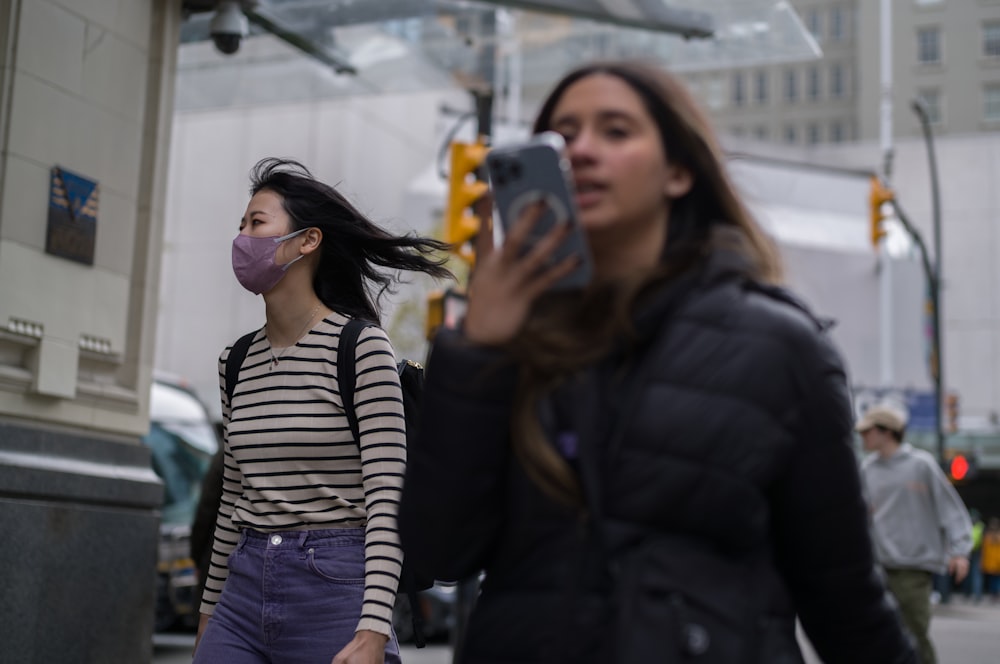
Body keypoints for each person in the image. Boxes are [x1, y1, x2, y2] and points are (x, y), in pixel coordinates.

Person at [398, 60, 916, 663]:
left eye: (616, 131)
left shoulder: (780, 346)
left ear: (678, 171)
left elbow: (846, 604)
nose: (582, 151)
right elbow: (435, 552)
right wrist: (475, 351)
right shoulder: (509, 342)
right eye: (562, 137)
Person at [192, 158, 451, 664]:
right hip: (240, 592)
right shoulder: (236, 361)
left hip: (333, 585)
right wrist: (208, 614)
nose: (243, 238)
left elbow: (386, 495)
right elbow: (232, 500)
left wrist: (374, 628)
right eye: (241, 225)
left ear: (307, 241)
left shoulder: (360, 348)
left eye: (257, 222)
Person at [857, 404, 973, 664]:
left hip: (913, 569)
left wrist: (960, 551)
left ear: (886, 432)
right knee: (875, 638)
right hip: (876, 569)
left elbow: (950, 509)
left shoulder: (921, 465)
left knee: (914, 637)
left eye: (867, 431)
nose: (862, 436)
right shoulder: (867, 469)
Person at [982, 516, 1000, 601]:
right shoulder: (988, 536)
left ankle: (995, 593)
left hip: (995, 561)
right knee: (993, 579)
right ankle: (994, 594)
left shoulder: (989, 536)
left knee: (995, 580)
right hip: (992, 561)